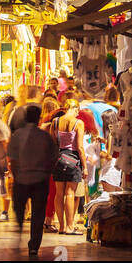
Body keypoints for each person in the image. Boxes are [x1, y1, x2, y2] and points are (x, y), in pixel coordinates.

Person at [7, 103, 57, 258]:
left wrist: (16, 175)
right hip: (40, 180)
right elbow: (53, 158)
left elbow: (12, 160)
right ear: (39, 118)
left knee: (19, 210)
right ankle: (34, 245)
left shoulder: (17, 135)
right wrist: (46, 172)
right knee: (38, 214)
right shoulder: (45, 136)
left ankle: (19, 233)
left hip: (21, 178)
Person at [52, 100, 87, 236]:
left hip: (59, 158)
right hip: (73, 159)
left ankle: (61, 226)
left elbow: (53, 143)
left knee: (58, 193)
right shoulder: (78, 123)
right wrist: (85, 167)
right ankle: (70, 226)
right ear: (76, 109)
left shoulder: (55, 122)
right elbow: (79, 147)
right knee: (70, 193)